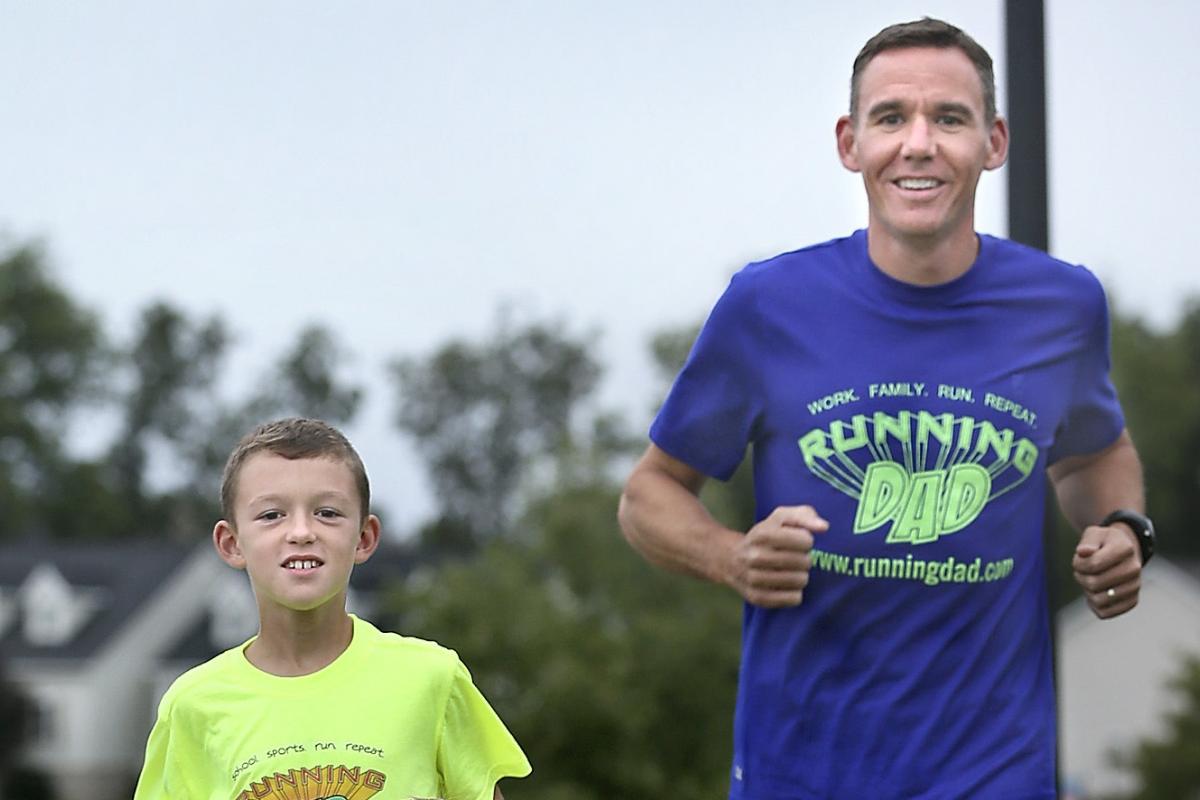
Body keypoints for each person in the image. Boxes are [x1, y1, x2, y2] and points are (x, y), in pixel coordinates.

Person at [618, 17, 1153, 800]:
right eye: (891, 117)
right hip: (801, 768)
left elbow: (1093, 453)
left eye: (950, 118)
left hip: (993, 768)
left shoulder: (1062, 305)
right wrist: (731, 557)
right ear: (850, 142)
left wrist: (1119, 528)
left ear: (995, 142)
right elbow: (647, 497)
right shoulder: (769, 305)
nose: (919, 143)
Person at [134, 417, 530, 800]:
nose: (302, 532)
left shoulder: (432, 678)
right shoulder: (193, 704)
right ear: (231, 543)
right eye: (272, 515)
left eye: (327, 513)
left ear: (364, 537)